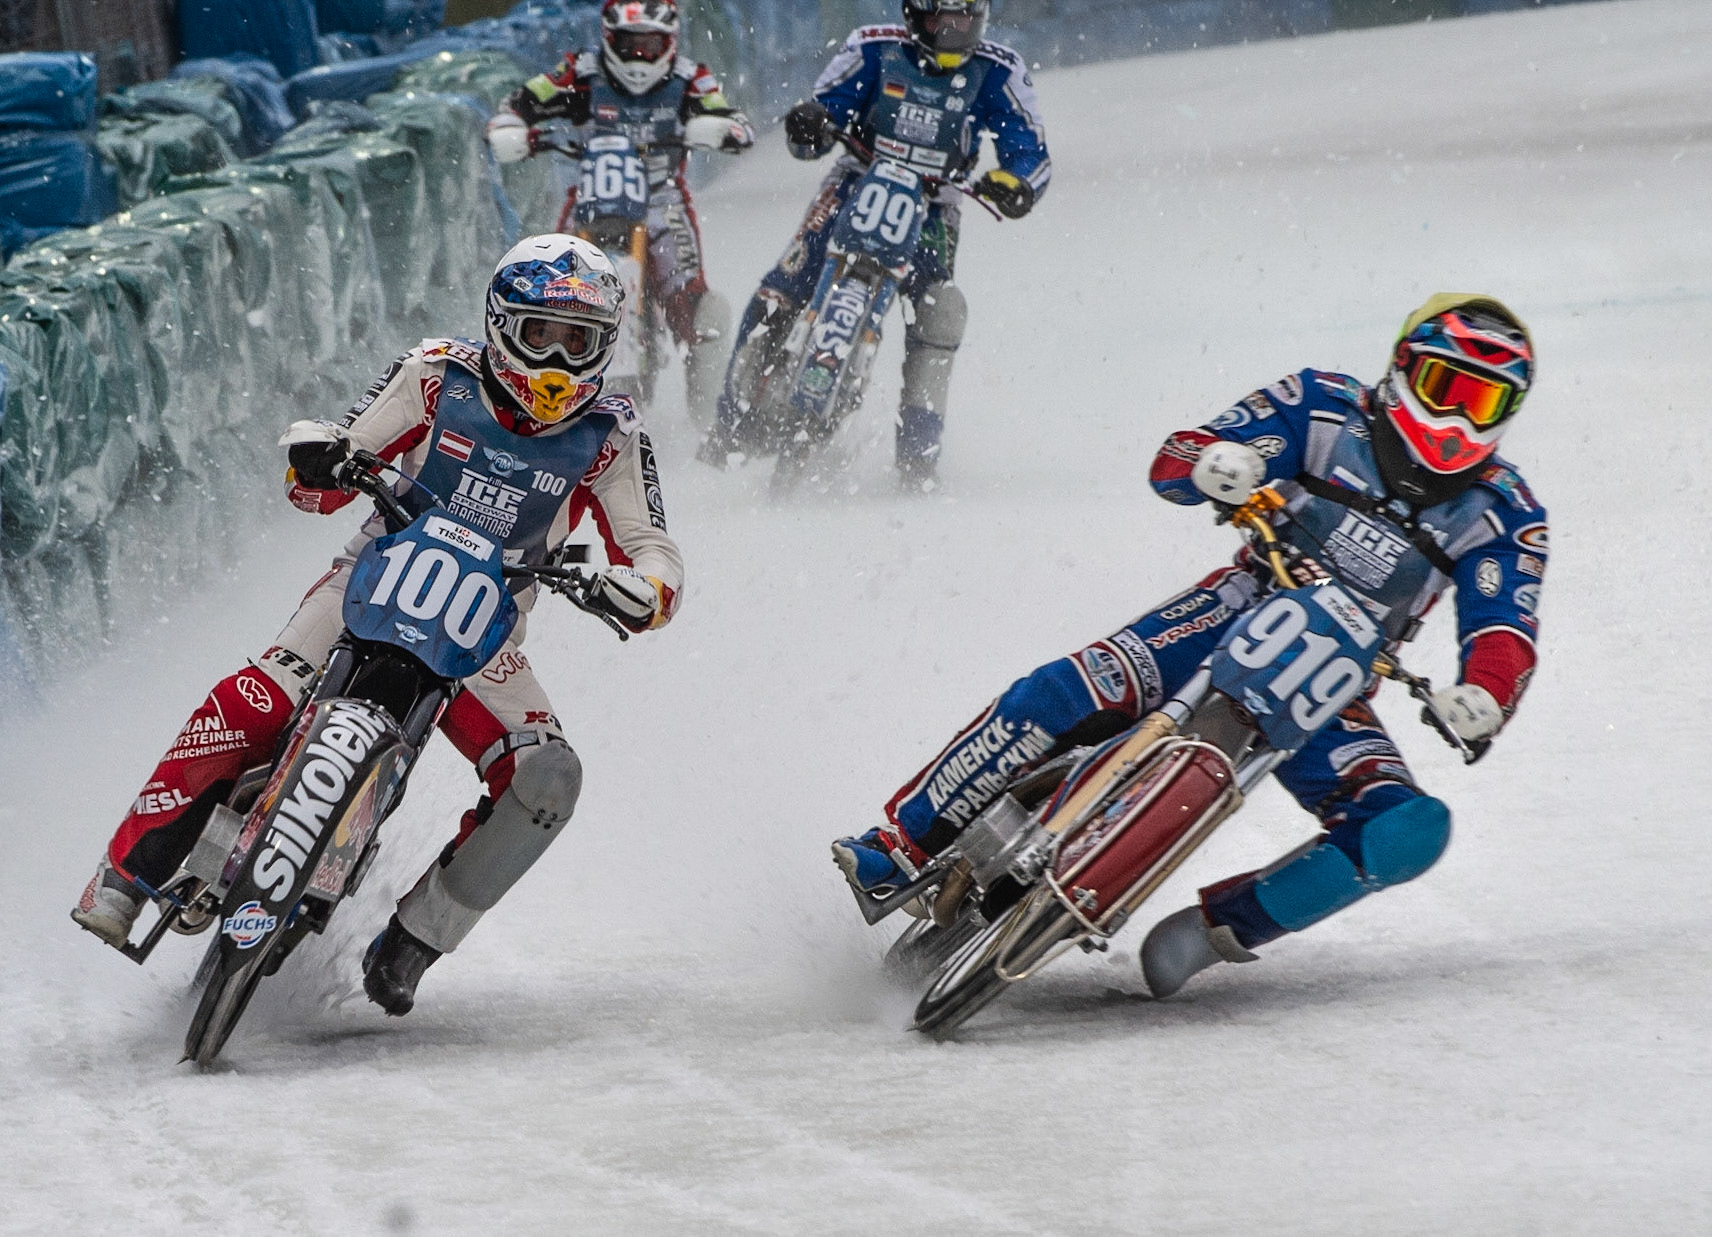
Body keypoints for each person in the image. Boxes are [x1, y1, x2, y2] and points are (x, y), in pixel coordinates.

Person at [833, 295, 1546, 994]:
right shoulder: (1321, 404)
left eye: (1481, 404)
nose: (1455, 418)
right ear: (1400, 370)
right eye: (1444, 388)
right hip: (1233, 606)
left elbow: (1505, 625)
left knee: (1405, 828)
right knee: (1067, 691)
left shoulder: (1505, 510)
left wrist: (1485, 693)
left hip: (1334, 685)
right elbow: (1180, 454)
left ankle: (1217, 931)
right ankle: (898, 846)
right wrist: (1216, 463)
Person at [72, 235, 684, 1016]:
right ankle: (124, 873)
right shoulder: (436, 374)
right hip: (369, 580)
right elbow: (327, 471)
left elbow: (656, 553)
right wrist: (321, 459)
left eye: (579, 343)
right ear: (501, 326)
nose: (558, 364)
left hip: (483, 632)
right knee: (253, 699)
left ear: (607, 347)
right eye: (541, 335)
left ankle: (413, 943)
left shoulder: (612, 433)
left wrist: (638, 588)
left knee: (550, 776)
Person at [702, 0, 1051, 489]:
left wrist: (1016, 182)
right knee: (782, 286)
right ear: (914, 19)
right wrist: (811, 124)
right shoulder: (872, 48)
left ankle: (918, 457)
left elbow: (1030, 149)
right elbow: (820, 120)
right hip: (855, 179)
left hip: (935, 204)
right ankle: (730, 425)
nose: (951, 33)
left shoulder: (999, 70)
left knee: (939, 312)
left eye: (963, 22)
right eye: (938, 22)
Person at [484, 0, 754, 423]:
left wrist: (723, 128)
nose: (639, 55)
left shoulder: (691, 79)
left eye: (650, 44)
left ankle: (710, 417)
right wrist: (511, 127)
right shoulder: (580, 72)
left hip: (662, 198)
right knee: (552, 287)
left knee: (693, 299)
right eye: (629, 43)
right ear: (610, 39)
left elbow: (736, 122)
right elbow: (520, 101)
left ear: (669, 42)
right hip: (591, 196)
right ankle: (540, 388)